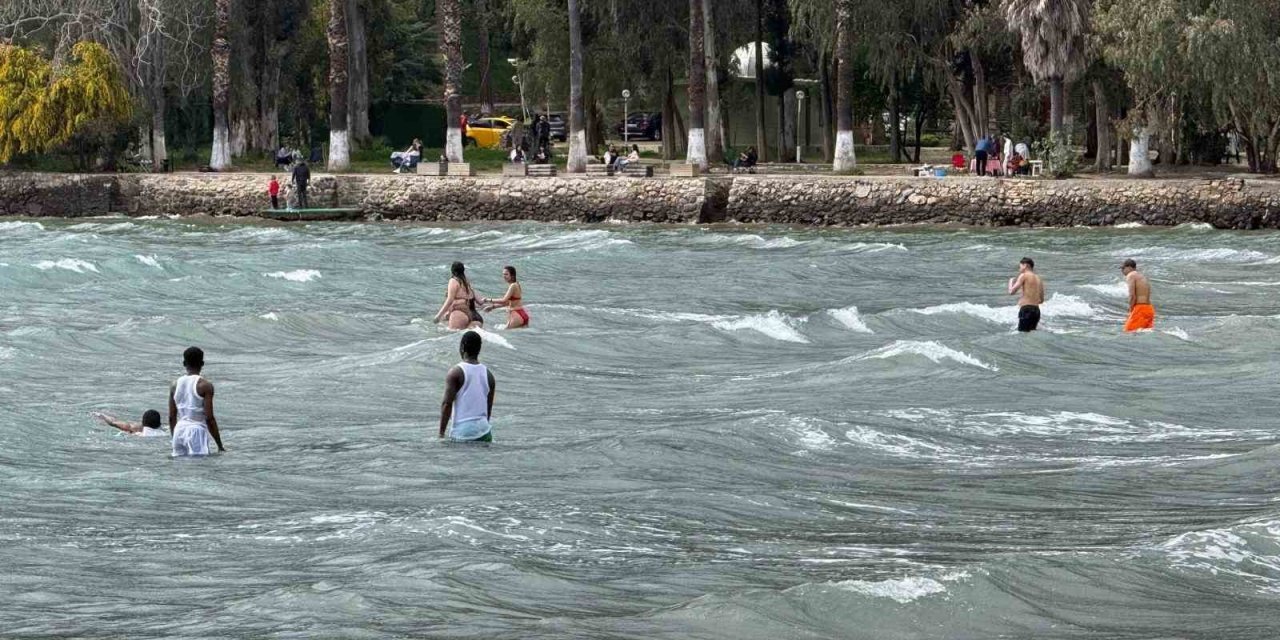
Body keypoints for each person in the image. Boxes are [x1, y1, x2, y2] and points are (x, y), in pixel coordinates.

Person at [439, 331, 496, 442]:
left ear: (462, 347)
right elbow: (488, 409)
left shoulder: (455, 372)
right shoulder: (489, 375)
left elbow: (447, 404)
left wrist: (441, 434)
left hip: (464, 432)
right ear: (479, 349)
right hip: (484, 430)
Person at [169, 347, 225, 456]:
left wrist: (174, 437)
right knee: (199, 465)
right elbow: (209, 418)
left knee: (179, 464)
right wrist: (220, 445)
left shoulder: (174, 385)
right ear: (202, 363)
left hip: (179, 430)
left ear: (184, 363)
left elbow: (172, 417)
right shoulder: (205, 386)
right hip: (196, 431)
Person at [434, 261, 484, 330]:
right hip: (476, 316)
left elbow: (450, 300)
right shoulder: (466, 282)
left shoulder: (453, 280)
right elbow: (480, 302)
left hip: (460, 313)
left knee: (454, 334)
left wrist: (438, 316)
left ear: (452, 271)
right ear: (463, 270)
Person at [1008, 257, 1044, 332]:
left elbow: (1011, 292)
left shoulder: (1023, 275)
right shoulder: (1038, 278)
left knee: (1022, 334)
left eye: (1020, 266)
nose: (1019, 269)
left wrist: (1010, 281)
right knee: (1031, 334)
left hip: (1026, 310)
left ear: (1025, 265)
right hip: (1036, 311)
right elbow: (1041, 300)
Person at [1122, 259, 1155, 332]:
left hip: (1140, 309)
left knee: (1128, 331)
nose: (1122, 271)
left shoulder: (1131, 275)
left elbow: (1132, 296)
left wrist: (1131, 310)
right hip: (1149, 309)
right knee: (1144, 333)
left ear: (1129, 267)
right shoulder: (1141, 276)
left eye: (1123, 268)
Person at [92, 409, 167, 437]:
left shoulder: (138, 434)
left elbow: (113, 423)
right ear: (159, 423)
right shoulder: (165, 434)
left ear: (143, 423)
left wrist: (101, 415)